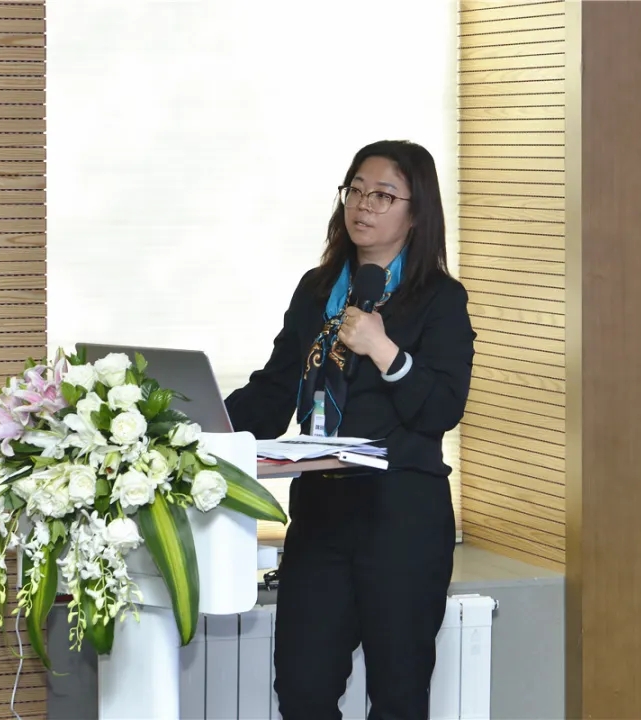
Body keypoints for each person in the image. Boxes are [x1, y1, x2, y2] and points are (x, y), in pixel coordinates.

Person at [224, 139, 476, 719]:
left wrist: (386, 351)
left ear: (417, 212)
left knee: (398, 698)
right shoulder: (318, 290)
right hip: (322, 514)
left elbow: (442, 408)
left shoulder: (440, 299)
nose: (363, 205)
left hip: (402, 518)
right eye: (355, 190)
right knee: (303, 691)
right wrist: (198, 424)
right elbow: (273, 392)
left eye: (383, 195)